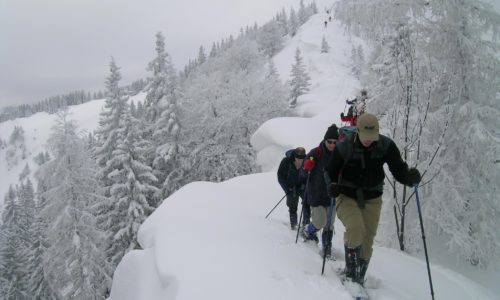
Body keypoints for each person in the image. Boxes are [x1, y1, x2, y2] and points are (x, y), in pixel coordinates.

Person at [326, 113, 421, 285]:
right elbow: (330, 170)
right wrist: (331, 185)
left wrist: (409, 178)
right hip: (347, 195)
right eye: (365, 136)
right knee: (356, 229)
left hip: (373, 198)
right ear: (358, 132)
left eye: (372, 137)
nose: (368, 140)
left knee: (368, 240)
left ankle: (359, 277)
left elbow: (398, 168)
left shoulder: (385, 146)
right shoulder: (345, 146)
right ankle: (351, 276)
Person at [301, 124, 339, 259]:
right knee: (319, 222)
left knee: (329, 224)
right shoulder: (316, 152)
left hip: (332, 195)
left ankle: (327, 247)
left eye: (335, 142)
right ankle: (307, 230)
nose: (332, 145)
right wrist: (307, 166)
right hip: (316, 193)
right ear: (325, 140)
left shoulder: (339, 154)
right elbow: (304, 169)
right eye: (330, 141)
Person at [277, 147, 310, 230]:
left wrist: (305, 185)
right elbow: (280, 177)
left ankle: (306, 224)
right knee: (292, 205)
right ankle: (294, 225)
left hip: (302, 187)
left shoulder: (307, 162)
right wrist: (287, 189)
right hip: (290, 187)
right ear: (294, 156)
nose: (299, 160)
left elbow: (310, 177)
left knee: (307, 202)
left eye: (301, 158)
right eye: (297, 158)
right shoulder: (286, 162)